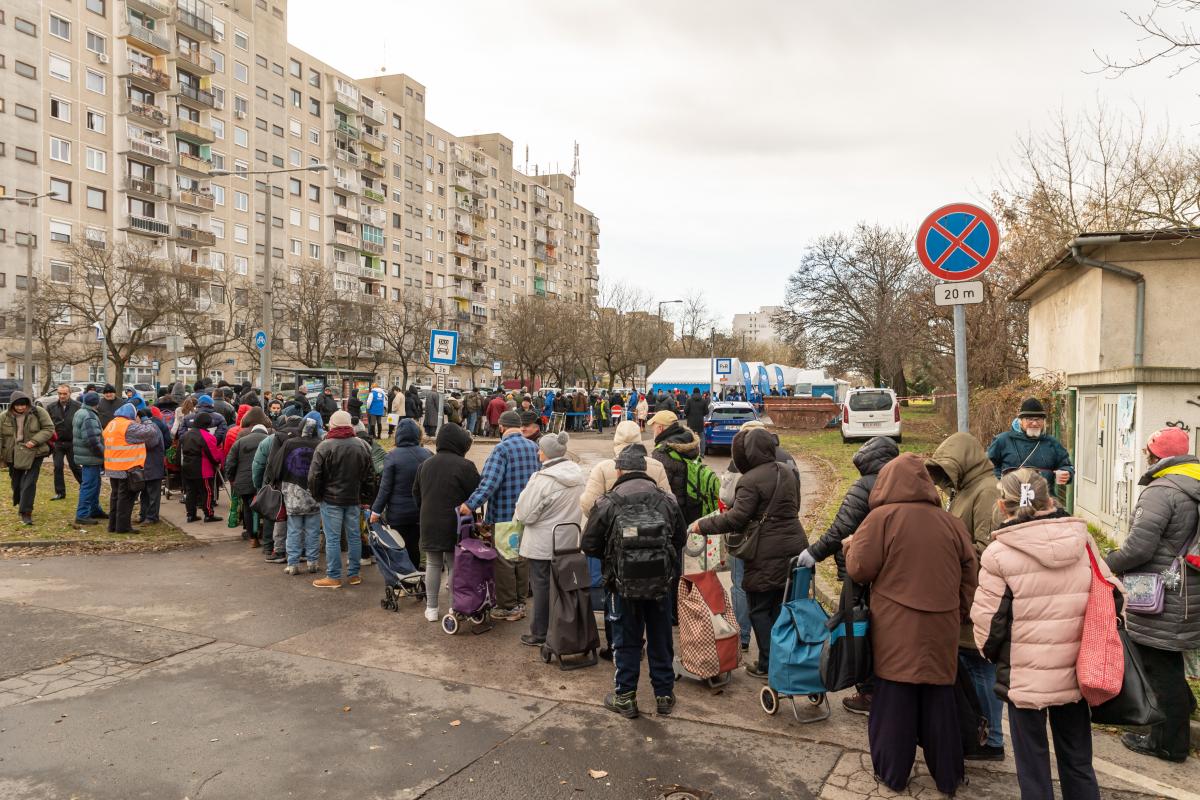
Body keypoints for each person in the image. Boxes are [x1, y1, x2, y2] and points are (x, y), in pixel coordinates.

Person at [845, 453, 977, 797]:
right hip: (943, 624)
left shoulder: (881, 519)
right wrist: (959, 609)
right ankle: (948, 776)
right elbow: (969, 571)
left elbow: (859, 568)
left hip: (895, 627)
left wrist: (849, 548)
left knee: (895, 700)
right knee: (939, 700)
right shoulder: (950, 522)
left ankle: (893, 773)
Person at [972, 469, 1107, 799]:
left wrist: (995, 657)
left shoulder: (999, 555)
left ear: (1003, 507)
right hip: (1077, 670)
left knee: (1032, 767)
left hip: (1025, 676)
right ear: (1051, 500)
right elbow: (1110, 596)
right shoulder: (1083, 541)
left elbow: (989, 628)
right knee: (1078, 761)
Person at [1104, 426, 1200, 764]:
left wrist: (1108, 562)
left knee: (1158, 666)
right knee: (1167, 661)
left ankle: (1168, 744)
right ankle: (1180, 714)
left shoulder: (1162, 490)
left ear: (1155, 454)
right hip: (1188, 589)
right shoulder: (1194, 482)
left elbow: (1139, 547)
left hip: (1162, 591)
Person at [693, 427, 807, 679]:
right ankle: (782, 658)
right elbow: (794, 505)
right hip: (794, 544)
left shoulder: (750, 480)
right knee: (779, 605)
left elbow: (736, 518)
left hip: (765, 550)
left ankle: (768, 663)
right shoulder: (787, 472)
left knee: (759, 608)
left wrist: (703, 526)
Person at [582, 446, 687, 718]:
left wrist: (613, 560)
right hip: (660, 584)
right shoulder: (666, 500)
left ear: (619, 470)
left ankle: (625, 696)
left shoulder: (608, 501)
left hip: (621, 585)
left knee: (626, 639)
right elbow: (680, 539)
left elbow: (589, 544)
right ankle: (664, 695)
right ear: (645, 469)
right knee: (660, 636)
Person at [797, 435, 899, 714]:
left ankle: (867, 692)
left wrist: (814, 552)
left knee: (859, 630)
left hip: (862, 571)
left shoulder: (864, 485)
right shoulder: (905, 486)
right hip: (895, 574)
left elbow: (841, 528)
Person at [926, 431, 1005, 759]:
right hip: (963, 591)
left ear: (965, 462)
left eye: (947, 470)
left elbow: (990, 546)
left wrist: (948, 552)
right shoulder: (967, 490)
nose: (943, 480)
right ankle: (978, 732)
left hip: (977, 593)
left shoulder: (985, 492)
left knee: (979, 666)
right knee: (970, 666)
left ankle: (993, 740)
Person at [460, 409, 540, 621]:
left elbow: (489, 483)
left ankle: (508, 606)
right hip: (527, 515)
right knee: (522, 560)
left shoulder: (501, 450)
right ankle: (521, 601)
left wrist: (470, 505)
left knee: (504, 562)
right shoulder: (534, 447)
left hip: (505, 515)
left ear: (502, 427)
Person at [512, 431, 585, 647]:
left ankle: (540, 633)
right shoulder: (577, 475)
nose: (537, 452)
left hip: (543, 543)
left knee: (541, 587)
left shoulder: (543, 480)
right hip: (568, 539)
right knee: (564, 587)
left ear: (546, 453)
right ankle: (565, 629)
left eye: (540, 449)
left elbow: (525, 514)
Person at [413, 423, 481, 621]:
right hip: (455, 521)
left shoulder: (425, 464)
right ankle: (454, 606)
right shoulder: (465, 465)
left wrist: (425, 510)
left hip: (428, 520)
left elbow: (416, 493)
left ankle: (431, 608)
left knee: (433, 564)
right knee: (454, 564)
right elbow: (475, 493)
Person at [309, 410, 373, 589]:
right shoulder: (362, 445)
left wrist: (317, 495)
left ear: (333, 424)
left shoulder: (324, 446)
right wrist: (365, 497)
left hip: (330, 499)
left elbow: (314, 476)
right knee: (354, 536)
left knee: (333, 538)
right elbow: (370, 476)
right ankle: (354, 574)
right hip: (353, 499)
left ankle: (334, 576)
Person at [370, 418, 431, 567]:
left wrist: (376, 511)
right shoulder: (428, 454)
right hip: (420, 511)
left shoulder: (392, 456)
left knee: (399, 547)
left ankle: (405, 581)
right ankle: (416, 579)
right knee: (414, 545)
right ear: (418, 435)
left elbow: (385, 488)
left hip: (398, 513)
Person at [268, 415, 324, 575]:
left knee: (293, 529)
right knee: (313, 530)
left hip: (293, 493)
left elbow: (276, 467)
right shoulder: (320, 445)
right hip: (314, 493)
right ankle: (312, 562)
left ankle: (293, 564)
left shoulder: (289, 444)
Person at [986, 397, 1074, 493]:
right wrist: (1002, 482)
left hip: (1044, 500)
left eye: (1039, 419)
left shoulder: (1052, 443)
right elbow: (988, 466)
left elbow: (1066, 466)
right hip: (1012, 499)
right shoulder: (1002, 440)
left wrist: (1067, 473)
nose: (1035, 423)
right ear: (1020, 421)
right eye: (1029, 419)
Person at [101, 403, 159, 534]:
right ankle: (123, 526)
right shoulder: (128, 426)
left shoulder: (112, 424)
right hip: (127, 468)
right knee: (126, 498)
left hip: (112, 467)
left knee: (115, 496)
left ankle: (113, 525)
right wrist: (147, 421)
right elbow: (151, 432)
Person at [0, 393, 55, 526]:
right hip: (13, 453)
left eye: (23, 404)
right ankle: (21, 501)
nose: (21, 408)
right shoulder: (4, 417)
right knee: (16, 482)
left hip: (34, 452)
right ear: (12, 404)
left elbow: (49, 428)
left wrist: (34, 441)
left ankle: (26, 512)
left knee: (29, 482)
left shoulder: (38, 412)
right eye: (18, 405)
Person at [225, 408, 271, 549]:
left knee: (247, 508)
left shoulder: (240, 439)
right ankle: (268, 537)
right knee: (267, 508)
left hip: (244, 480)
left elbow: (231, 462)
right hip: (265, 480)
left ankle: (252, 537)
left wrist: (232, 479)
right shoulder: (271, 437)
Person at [648, 410, 704, 523]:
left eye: (653, 427)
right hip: (692, 505)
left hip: (673, 511)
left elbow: (658, 488)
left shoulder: (663, 452)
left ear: (660, 428)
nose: (652, 430)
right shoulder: (688, 441)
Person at [180, 411, 224, 522]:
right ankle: (208, 514)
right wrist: (217, 462)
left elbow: (179, 452)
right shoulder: (208, 437)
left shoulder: (185, 435)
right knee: (207, 492)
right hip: (203, 468)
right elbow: (212, 454)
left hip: (187, 467)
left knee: (191, 492)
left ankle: (191, 515)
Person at [71, 392, 107, 526]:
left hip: (86, 456)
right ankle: (82, 514)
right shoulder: (90, 416)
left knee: (95, 484)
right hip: (90, 457)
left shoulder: (80, 412)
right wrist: (103, 454)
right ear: (96, 403)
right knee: (89, 486)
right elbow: (92, 440)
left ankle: (94, 509)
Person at [43, 384, 82, 501]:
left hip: (72, 442)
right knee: (58, 466)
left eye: (65, 393)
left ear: (69, 393)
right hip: (58, 443)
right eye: (60, 393)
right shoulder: (51, 407)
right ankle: (60, 492)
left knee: (75, 466)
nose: (62, 396)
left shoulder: (78, 406)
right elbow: (47, 424)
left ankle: (85, 486)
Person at [136, 407, 171, 525]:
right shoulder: (150, 427)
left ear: (140, 417)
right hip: (149, 465)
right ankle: (144, 515)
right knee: (145, 492)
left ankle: (152, 517)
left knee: (153, 493)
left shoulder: (151, 428)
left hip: (153, 464)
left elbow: (150, 444)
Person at [684, 388, 710, 453]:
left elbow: (685, 411)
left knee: (690, 437)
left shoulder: (689, 400)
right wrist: (701, 415)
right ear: (699, 392)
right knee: (702, 437)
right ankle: (702, 453)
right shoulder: (703, 401)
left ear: (693, 392)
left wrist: (689, 415)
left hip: (691, 422)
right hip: (700, 422)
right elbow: (707, 411)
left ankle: (690, 451)